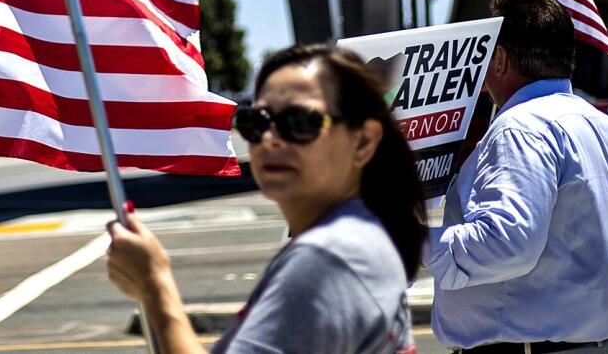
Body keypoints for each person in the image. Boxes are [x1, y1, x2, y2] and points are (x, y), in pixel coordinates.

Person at [106, 44, 425, 354]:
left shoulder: (329, 257)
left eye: (300, 122)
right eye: (256, 122)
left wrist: (156, 290)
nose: (270, 139)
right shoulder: (358, 236)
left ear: (363, 141)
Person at [426, 0, 608, 353]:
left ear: (499, 58)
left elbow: (506, 244)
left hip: (542, 346)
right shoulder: (606, 127)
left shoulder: (520, 128)